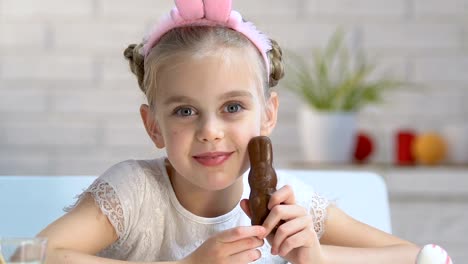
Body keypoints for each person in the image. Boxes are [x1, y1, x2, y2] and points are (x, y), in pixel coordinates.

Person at [38, 0, 421, 263]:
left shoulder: (292, 207)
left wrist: (318, 256)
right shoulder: (135, 193)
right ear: (154, 126)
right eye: (185, 111)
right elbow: (29, 255)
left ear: (268, 114)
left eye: (233, 107)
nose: (210, 131)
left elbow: (417, 257)